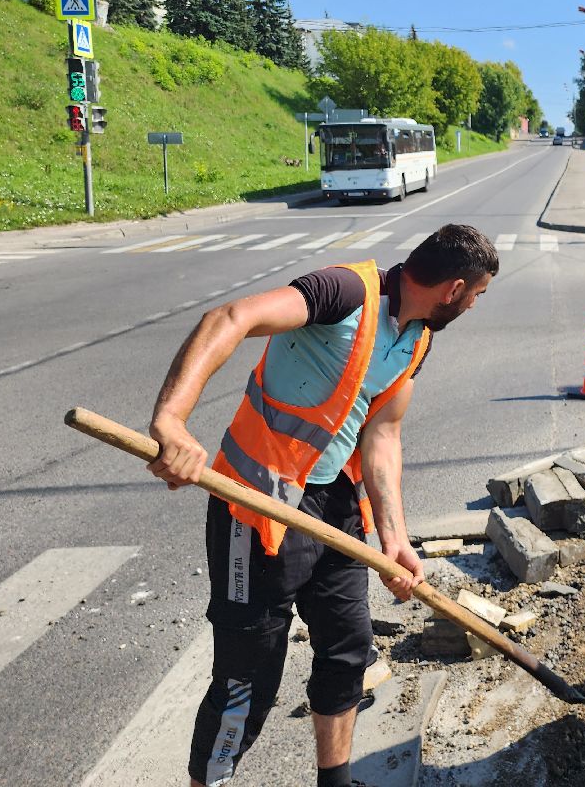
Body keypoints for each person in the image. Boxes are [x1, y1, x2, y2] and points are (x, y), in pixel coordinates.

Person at [146, 223, 499, 787]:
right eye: (477, 295)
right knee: (248, 675)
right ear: (454, 288)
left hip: (333, 508)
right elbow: (229, 319)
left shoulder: (417, 338)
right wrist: (171, 421)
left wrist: (395, 538)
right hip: (258, 506)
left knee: (348, 650)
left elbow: (382, 436)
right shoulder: (344, 293)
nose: (474, 305)